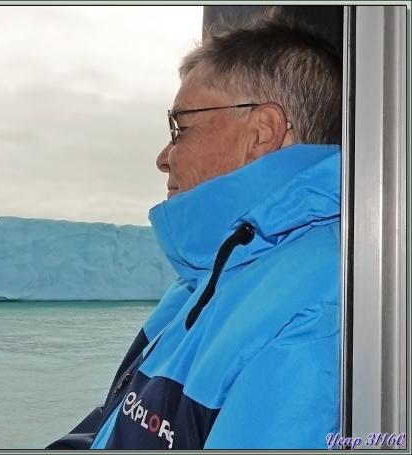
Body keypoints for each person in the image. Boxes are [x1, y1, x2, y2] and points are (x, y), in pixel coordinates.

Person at [47, 16, 342, 450]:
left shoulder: (317, 306)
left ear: (261, 133)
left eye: (179, 128)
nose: (163, 157)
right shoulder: (208, 280)